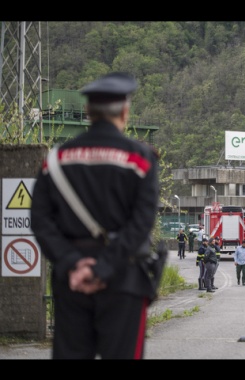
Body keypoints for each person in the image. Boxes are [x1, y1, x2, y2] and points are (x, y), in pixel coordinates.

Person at [30, 72, 160, 359]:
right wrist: (103, 268)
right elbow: (142, 222)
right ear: (125, 112)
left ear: (88, 112)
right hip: (123, 276)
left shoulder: (56, 159)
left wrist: (73, 263)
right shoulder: (140, 158)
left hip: (72, 281)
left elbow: (40, 219)